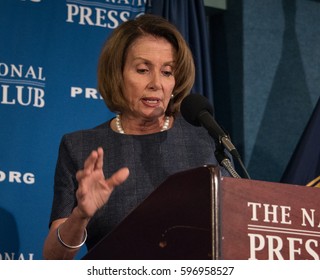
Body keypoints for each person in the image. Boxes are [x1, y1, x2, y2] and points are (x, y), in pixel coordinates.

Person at [43, 14, 230, 260]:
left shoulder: (205, 139)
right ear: (117, 74)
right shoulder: (80, 147)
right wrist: (81, 216)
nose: (156, 83)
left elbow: (235, 229)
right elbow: (54, 259)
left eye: (167, 72)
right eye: (143, 70)